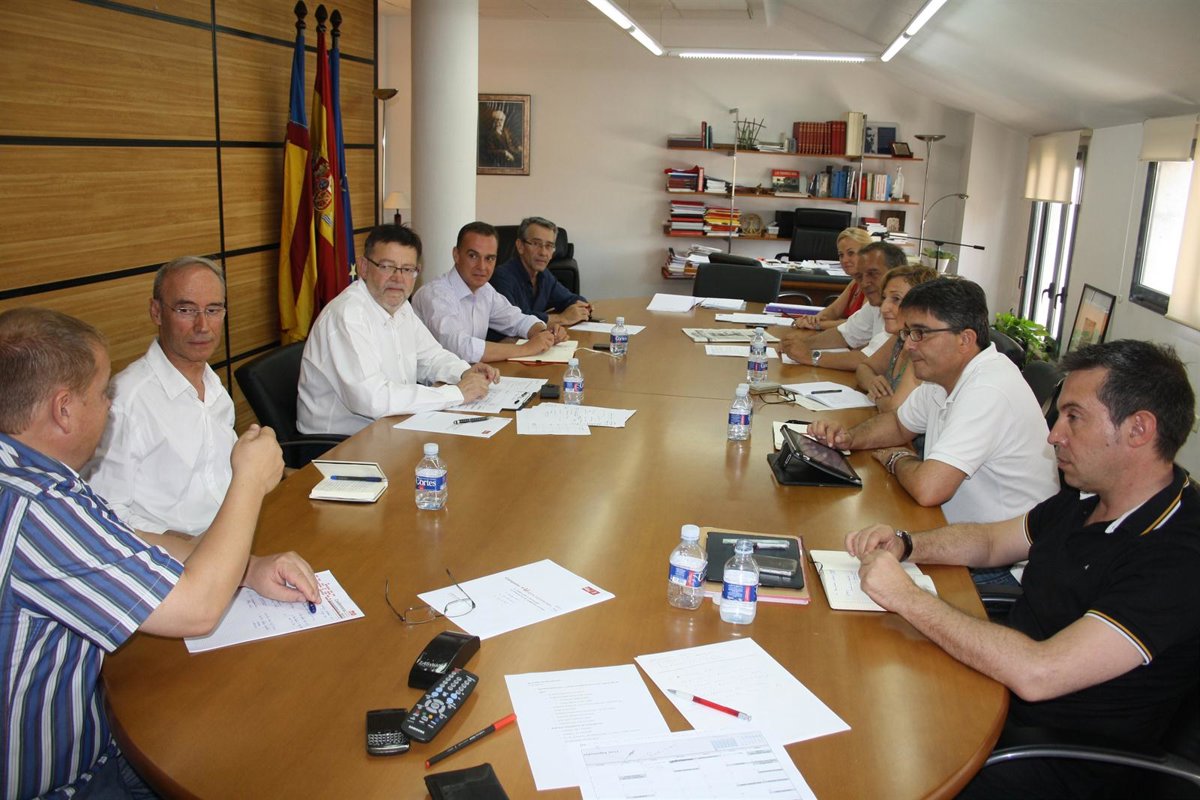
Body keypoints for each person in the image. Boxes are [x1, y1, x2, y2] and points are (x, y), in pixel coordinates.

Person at [843, 340, 1200, 799]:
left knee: (873, 771)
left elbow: (1040, 673)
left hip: (1054, 759)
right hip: (995, 691)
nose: (1054, 435)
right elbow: (993, 541)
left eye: (1074, 417)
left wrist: (909, 598)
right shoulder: (1089, 495)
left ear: (1139, 429)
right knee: (857, 691)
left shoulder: (1178, 555)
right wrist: (907, 543)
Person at [0, 307, 319, 799]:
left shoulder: (28, 472)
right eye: (101, 393)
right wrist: (250, 481)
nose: (109, 405)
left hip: (95, 727)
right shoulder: (39, 506)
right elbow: (197, 610)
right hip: (63, 783)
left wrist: (248, 568)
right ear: (63, 409)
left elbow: (121, 541)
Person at [809, 277, 1057, 523]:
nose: (908, 345)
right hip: (956, 526)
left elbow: (929, 489)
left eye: (920, 333)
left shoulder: (988, 389)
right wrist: (849, 438)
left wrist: (896, 459)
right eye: (908, 333)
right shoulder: (943, 376)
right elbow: (898, 424)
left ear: (965, 339)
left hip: (999, 543)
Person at [297, 224, 499, 436]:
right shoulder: (347, 315)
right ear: (364, 267)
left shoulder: (401, 307)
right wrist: (456, 393)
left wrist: (463, 372)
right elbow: (373, 399)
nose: (398, 278)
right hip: (341, 443)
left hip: (392, 427)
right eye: (386, 267)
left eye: (407, 269)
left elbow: (432, 357)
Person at [85, 256, 236, 537]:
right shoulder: (125, 400)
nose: (203, 326)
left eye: (213, 310)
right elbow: (105, 511)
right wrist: (183, 543)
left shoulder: (213, 385)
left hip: (232, 532)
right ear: (156, 312)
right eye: (186, 310)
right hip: (177, 553)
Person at [411, 221, 568, 363]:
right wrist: (526, 349)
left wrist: (543, 332)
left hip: (472, 375)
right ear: (456, 255)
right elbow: (461, 348)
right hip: (434, 383)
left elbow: (517, 320)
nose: (482, 267)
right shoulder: (435, 294)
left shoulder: (485, 290)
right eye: (473, 256)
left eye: (490, 258)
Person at [781, 241, 906, 371]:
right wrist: (800, 344)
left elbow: (869, 360)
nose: (864, 283)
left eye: (872, 274)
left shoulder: (906, 310)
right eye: (859, 276)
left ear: (896, 272)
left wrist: (809, 356)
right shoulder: (876, 304)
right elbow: (844, 334)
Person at [853, 264, 939, 413]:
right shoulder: (900, 337)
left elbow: (895, 410)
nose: (884, 308)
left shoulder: (922, 347)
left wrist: (877, 397)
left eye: (896, 299)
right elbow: (864, 368)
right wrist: (873, 383)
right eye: (885, 298)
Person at [490, 216, 591, 327]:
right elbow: (516, 320)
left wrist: (583, 307)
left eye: (549, 246)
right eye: (536, 244)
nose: (543, 252)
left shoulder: (544, 275)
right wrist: (562, 318)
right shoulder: (502, 278)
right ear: (520, 246)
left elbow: (569, 299)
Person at [792, 227, 872, 331]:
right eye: (841, 255)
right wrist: (812, 320)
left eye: (851, 253)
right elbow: (833, 311)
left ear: (867, 254)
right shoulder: (855, 283)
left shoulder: (872, 285)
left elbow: (858, 324)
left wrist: (818, 325)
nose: (844, 260)